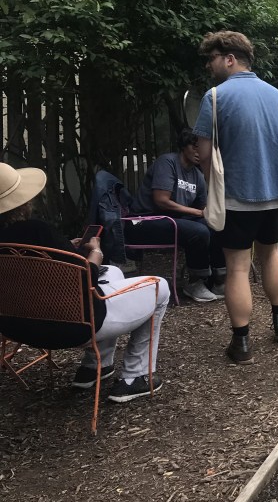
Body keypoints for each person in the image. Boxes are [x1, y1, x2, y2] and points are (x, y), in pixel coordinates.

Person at [0, 162, 170, 402]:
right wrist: (96, 253)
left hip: (16, 327)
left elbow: (39, 266)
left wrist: (67, 247)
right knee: (160, 286)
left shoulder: (19, 240)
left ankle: (95, 366)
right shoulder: (38, 231)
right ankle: (136, 376)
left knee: (113, 272)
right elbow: (83, 278)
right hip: (74, 327)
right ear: (23, 201)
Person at [193, 31, 278, 366]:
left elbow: (204, 153)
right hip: (276, 193)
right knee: (271, 254)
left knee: (237, 266)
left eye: (212, 59)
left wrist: (211, 189)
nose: (209, 66)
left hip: (236, 197)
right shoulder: (277, 95)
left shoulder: (215, 97)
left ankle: (242, 344)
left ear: (229, 59)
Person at [125, 128, 226, 303]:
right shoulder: (168, 163)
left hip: (172, 220)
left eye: (201, 148)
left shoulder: (197, 175)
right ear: (183, 147)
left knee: (215, 226)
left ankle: (218, 280)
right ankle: (195, 282)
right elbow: (161, 200)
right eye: (194, 147)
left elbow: (203, 209)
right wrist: (198, 213)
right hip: (143, 221)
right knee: (198, 231)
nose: (199, 152)